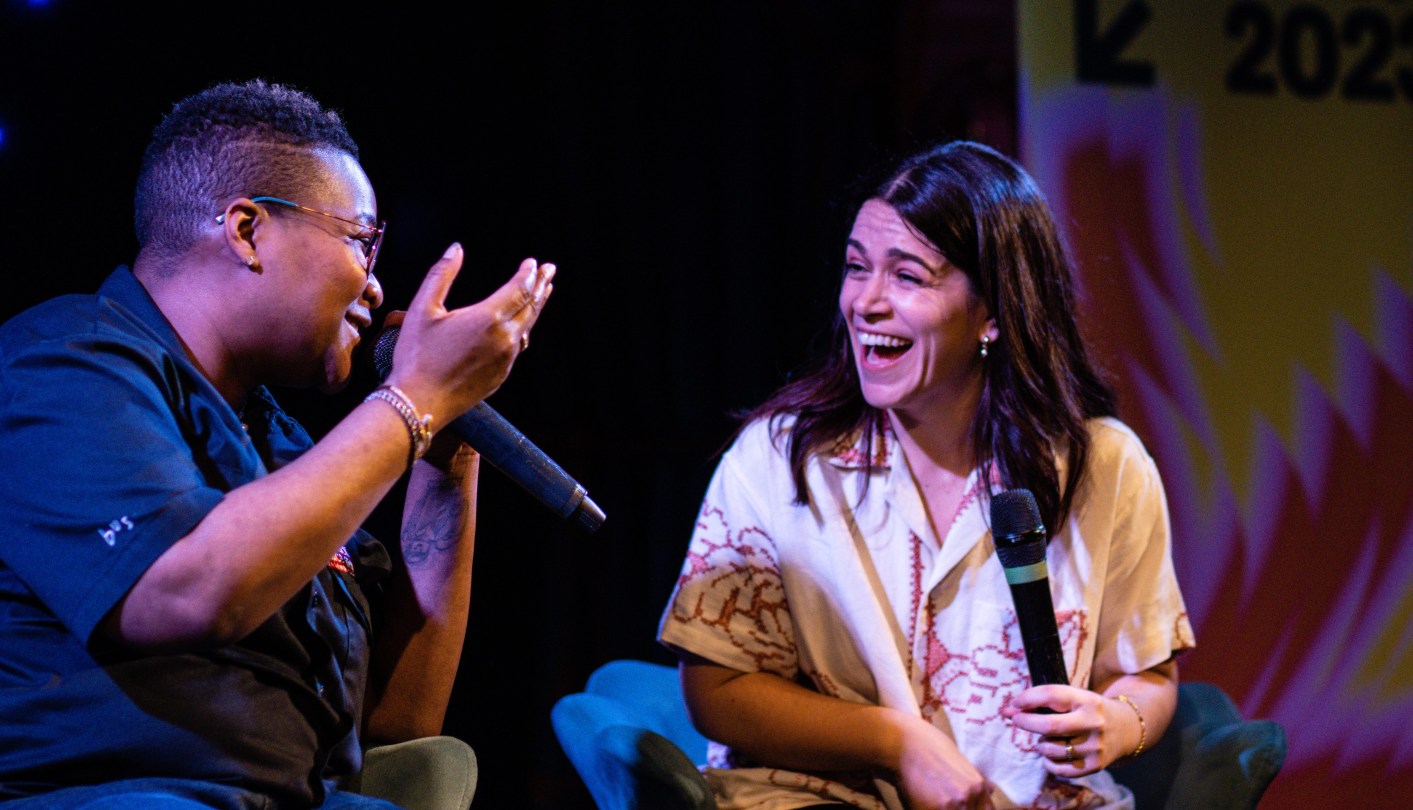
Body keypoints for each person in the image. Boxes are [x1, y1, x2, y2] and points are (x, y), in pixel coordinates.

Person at [0, 80, 554, 808]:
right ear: (247, 231)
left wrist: (446, 455)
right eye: (361, 240)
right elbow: (183, 592)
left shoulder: (280, 443)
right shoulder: (64, 364)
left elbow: (397, 722)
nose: (375, 285)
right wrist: (415, 398)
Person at [658, 141, 1195, 810]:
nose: (865, 302)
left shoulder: (1105, 465)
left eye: (907, 276)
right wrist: (896, 742)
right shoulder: (780, 458)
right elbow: (717, 690)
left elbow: (1146, 675)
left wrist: (1117, 723)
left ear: (993, 312)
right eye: (857, 267)